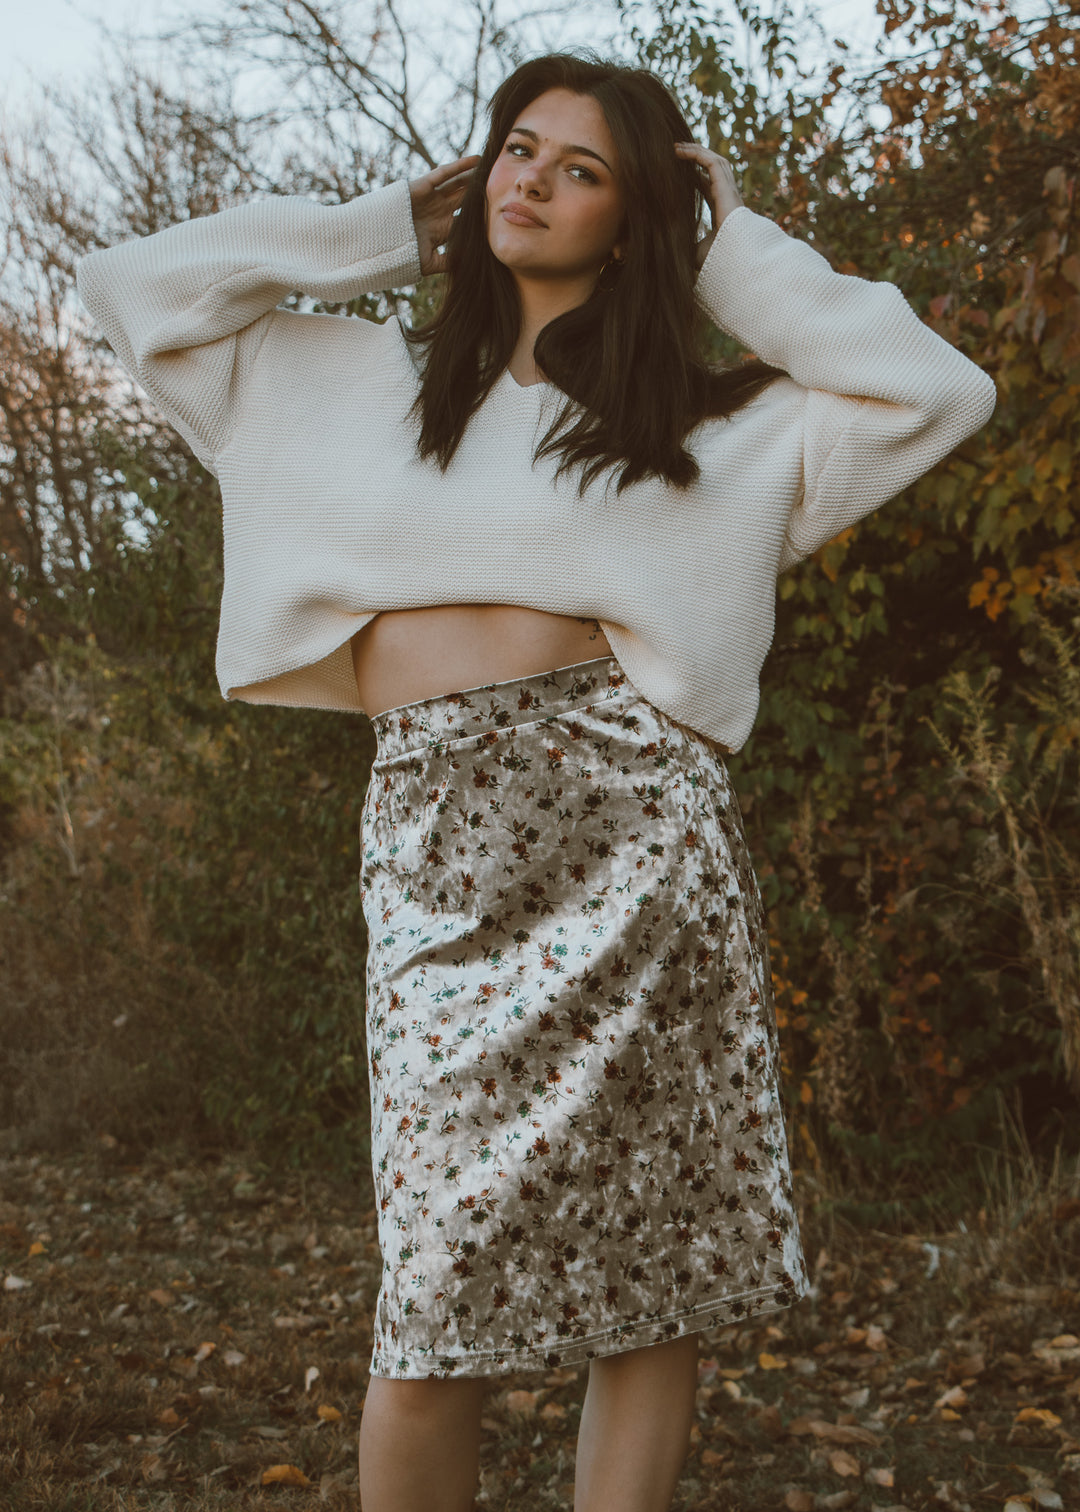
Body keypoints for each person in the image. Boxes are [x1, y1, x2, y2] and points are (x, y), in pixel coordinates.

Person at [77, 46, 997, 1512]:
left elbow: (937, 392)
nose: (535, 183)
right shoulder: (330, 381)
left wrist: (733, 248)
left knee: (652, 1279)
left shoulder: (707, 433)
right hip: (439, 859)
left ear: (635, 222)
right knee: (430, 1300)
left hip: (639, 849)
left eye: (584, 170)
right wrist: (382, 226)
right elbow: (128, 288)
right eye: (520, 148)